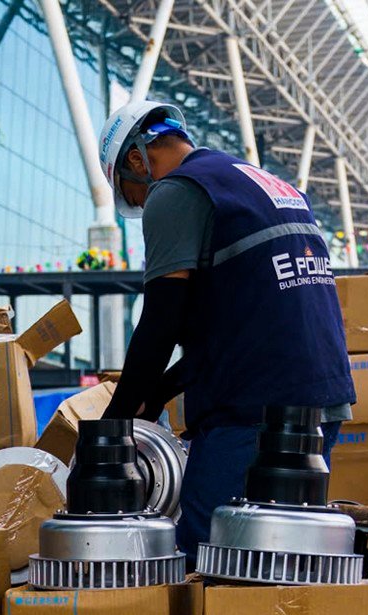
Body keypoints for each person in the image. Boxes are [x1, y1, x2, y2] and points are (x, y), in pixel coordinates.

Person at [94, 101, 354, 561]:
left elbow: (161, 321)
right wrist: (156, 396)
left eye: (130, 194)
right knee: (285, 557)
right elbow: (249, 318)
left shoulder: (177, 192)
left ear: (137, 159)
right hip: (322, 398)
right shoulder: (267, 184)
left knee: (208, 554)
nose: (139, 203)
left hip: (252, 407)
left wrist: (111, 426)